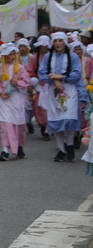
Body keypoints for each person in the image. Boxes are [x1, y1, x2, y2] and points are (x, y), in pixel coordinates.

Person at [39, 32, 84, 161]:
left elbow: (77, 74)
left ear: (65, 42)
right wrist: (55, 80)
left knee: (69, 118)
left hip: (70, 90)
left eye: (60, 40)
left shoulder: (73, 56)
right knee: (57, 120)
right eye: (55, 41)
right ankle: (61, 149)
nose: (58, 43)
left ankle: (70, 145)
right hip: (54, 91)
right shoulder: (48, 57)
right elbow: (42, 73)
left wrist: (61, 77)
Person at [0, 43, 29, 161]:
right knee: (4, 124)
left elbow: (26, 82)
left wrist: (17, 83)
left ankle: (19, 145)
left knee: (18, 123)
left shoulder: (20, 68)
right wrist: (0, 92)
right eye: (9, 54)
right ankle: (5, 150)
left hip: (16, 99)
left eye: (13, 54)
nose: (11, 57)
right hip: (3, 100)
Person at [27, 35, 52, 140]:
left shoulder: (53, 57)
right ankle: (43, 125)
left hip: (50, 85)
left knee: (50, 107)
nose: (43, 47)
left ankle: (48, 128)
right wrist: (30, 85)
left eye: (45, 45)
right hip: (38, 86)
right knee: (38, 107)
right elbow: (29, 72)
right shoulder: (34, 58)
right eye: (42, 45)